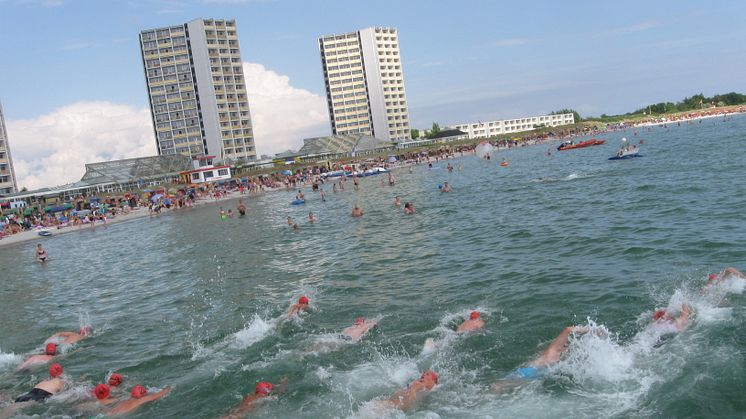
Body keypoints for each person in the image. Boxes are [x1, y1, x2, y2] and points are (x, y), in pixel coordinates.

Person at [491, 326, 589, 393]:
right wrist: (590, 329)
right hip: (528, 373)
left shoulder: (559, 355)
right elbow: (568, 329)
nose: (568, 347)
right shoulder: (552, 351)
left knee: (505, 390)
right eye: (567, 344)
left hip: (533, 375)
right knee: (498, 386)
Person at [222, 379, 286, 418]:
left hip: (235, 410)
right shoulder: (264, 397)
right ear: (267, 390)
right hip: (242, 413)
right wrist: (283, 383)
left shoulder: (248, 396)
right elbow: (279, 394)